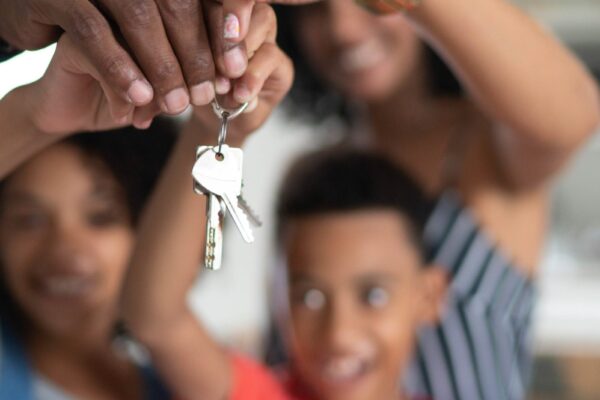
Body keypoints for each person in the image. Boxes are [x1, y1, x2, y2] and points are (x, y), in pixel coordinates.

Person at [268, 0, 600, 398]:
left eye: (366, 3)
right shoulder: (314, 178)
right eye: (315, 7)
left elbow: (573, 115)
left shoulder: (491, 148)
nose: (343, 29)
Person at [0, 121, 176, 399]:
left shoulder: (180, 386)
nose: (64, 250)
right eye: (30, 219)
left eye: (101, 217)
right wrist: (32, 113)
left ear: (152, 232)